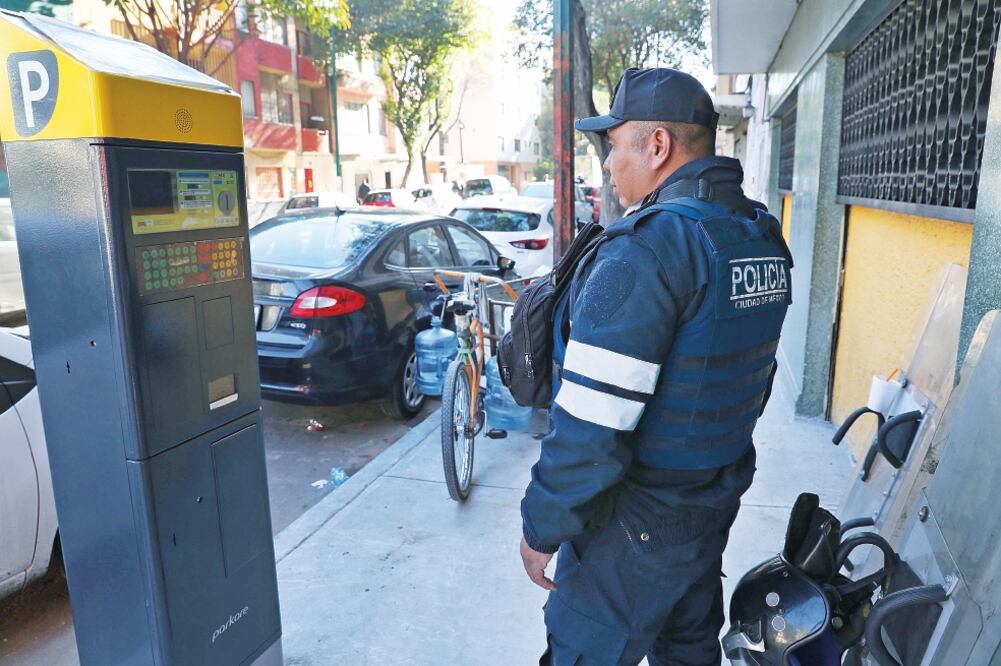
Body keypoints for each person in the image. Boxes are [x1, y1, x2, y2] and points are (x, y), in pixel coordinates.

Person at [519, 67, 793, 665]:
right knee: (687, 653)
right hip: (706, 505)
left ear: (658, 146)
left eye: (614, 146)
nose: (611, 165)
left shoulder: (647, 249)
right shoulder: (758, 235)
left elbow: (592, 424)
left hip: (635, 526)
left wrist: (542, 525)